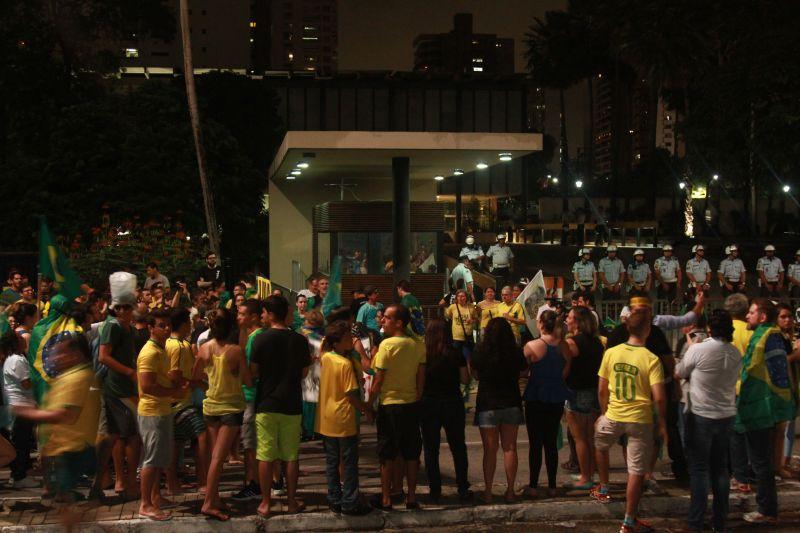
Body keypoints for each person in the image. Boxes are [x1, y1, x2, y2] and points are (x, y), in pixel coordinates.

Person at [592, 299, 667, 533]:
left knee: (600, 442)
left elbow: (602, 388)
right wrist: (662, 422)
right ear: (647, 330)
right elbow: (660, 397)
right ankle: (628, 520)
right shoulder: (651, 359)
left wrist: (604, 413)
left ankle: (603, 486)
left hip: (613, 414)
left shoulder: (612, 353)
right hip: (640, 419)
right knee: (635, 471)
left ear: (627, 327)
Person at [676, 309, 741, 533]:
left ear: (710, 328)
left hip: (701, 415)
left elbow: (679, 371)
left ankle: (695, 521)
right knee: (720, 469)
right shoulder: (734, 352)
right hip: (726, 414)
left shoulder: (698, 349)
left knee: (700, 470)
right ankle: (720, 521)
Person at [15, 334, 100, 503]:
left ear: (75, 354)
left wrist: (29, 413)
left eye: (60, 353)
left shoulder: (78, 377)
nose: (55, 357)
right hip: (63, 446)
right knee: (64, 499)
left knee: (66, 503)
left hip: (74, 448)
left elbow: (67, 415)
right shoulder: (66, 375)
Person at [250, 295, 312, 518]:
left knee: (266, 455)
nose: (262, 316)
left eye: (264, 312)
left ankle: (266, 503)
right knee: (291, 455)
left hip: (266, 402)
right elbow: (305, 373)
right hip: (292, 402)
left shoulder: (260, 339)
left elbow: (254, 371)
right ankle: (292, 501)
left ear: (270, 313)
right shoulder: (299, 340)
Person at [736, 298, 795, 524]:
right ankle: (767, 508)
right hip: (759, 405)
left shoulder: (767, 336)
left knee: (761, 463)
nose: (747, 316)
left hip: (761, 407)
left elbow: (770, 374)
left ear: (761, 316)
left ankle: (767, 510)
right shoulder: (765, 335)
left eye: (751, 312)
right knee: (761, 462)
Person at [193, 308, 251, 521]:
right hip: (231, 408)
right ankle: (208, 503)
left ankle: (214, 497)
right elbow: (248, 380)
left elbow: (195, 376)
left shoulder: (204, 348)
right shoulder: (236, 351)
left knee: (214, 457)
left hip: (211, 407)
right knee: (219, 458)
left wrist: (209, 385)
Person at [369, 304, 426, 511]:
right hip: (411, 404)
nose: (382, 320)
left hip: (390, 405)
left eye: (387, 317)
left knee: (387, 454)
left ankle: (386, 498)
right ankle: (411, 497)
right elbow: (421, 378)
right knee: (411, 453)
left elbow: (378, 379)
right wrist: (416, 396)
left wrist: (368, 404)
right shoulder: (418, 344)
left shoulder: (386, 345)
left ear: (399, 323)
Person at [316, 321, 373, 516]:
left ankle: (334, 499)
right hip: (343, 417)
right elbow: (351, 395)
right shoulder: (345, 364)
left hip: (326, 418)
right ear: (337, 342)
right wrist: (366, 409)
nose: (352, 340)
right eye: (348, 338)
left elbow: (323, 347)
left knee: (332, 461)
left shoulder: (325, 358)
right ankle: (350, 501)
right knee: (349, 463)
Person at [471, 317, 526, 504]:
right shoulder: (515, 351)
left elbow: (475, 375)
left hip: (487, 403)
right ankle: (510, 491)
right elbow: (523, 372)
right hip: (511, 401)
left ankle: (487, 492)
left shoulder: (481, 351)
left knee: (490, 450)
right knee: (510, 448)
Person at [90, 292, 140, 501]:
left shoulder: (126, 328)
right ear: (116, 309)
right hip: (116, 390)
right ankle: (120, 483)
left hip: (124, 389)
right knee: (126, 436)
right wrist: (130, 372)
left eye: (129, 307)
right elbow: (104, 356)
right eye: (122, 307)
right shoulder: (113, 326)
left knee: (116, 436)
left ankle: (108, 484)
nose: (126, 311)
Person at [419, 319, 472, 504]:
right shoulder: (455, 353)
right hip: (452, 401)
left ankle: (435, 489)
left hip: (429, 402)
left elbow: (420, 380)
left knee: (431, 449)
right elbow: (466, 379)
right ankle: (463, 487)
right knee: (458, 447)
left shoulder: (424, 354)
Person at [136, 309, 182, 521]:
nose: (166, 328)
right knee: (151, 459)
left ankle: (155, 496)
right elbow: (147, 386)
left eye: (167, 325)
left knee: (158, 458)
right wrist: (173, 392)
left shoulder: (161, 349)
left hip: (162, 409)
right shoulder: (150, 352)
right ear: (150, 328)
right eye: (161, 325)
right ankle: (145, 503)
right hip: (152, 411)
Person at [522, 310, 571, 497]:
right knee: (550, 441)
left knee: (535, 443)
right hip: (556, 396)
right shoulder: (563, 345)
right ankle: (552, 485)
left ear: (541, 324)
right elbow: (566, 369)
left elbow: (524, 371)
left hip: (536, 396)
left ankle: (533, 485)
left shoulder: (531, 346)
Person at [166, 308, 208, 496]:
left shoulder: (175, 343)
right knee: (201, 436)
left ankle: (172, 484)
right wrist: (195, 383)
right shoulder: (178, 346)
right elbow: (174, 374)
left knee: (177, 444)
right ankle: (202, 481)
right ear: (183, 324)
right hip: (180, 402)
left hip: (177, 402)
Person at [563, 306, 604, 489]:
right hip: (593, 390)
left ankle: (586, 476)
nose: (567, 320)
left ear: (577, 322)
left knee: (579, 438)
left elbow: (565, 366)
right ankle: (592, 473)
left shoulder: (572, 343)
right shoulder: (596, 342)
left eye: (570, 317)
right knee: (591, 438)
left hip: (577, 392)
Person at [232, 299, 264, 501]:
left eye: (242, 314)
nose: (238, 317)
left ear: (253, 317)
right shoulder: (249, 336)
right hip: (250, 396)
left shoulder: (256, 338)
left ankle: (254, 483)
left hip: (252, 396)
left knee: (250, 444)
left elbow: (252, 371)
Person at [724, 293, 754, 494]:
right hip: (749, 388)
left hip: (727, 389)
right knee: (749, 435)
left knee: (733, 436)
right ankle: (746, 474)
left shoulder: (725, 332)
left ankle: (739, 476)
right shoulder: (752, 333)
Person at [1, 328, 36, 488]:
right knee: (21, 443)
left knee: (21, 441)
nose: (23, 338)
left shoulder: (13, 359)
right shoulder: (17, 359)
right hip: (21, 405)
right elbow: (26, 383)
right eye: (19, 337)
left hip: (20, 405)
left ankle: (20, 474)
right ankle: (19, 476)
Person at [774, 303, 798, 479]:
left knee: (789, 426)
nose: (788, 320)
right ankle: (779, 464)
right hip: (779, 388)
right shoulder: (775, 337)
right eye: (783, 316)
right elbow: (778, 362)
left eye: (789, 316)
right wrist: (795, 355)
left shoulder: (786, 336)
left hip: (790, 386)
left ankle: (785, 463)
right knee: (782, 428)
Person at [443, 289, 476, 365]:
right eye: (459, 296)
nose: (461, 298)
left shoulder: (471, 307)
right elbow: (448, 316)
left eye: (463, 296)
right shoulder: (453, 307)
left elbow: (476, 318)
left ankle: (469, 375)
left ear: (466, 297)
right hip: (456, 338)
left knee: (467, 358)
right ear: (456, 298)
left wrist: (472, 320)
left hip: (467, 337)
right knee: (455, 358)